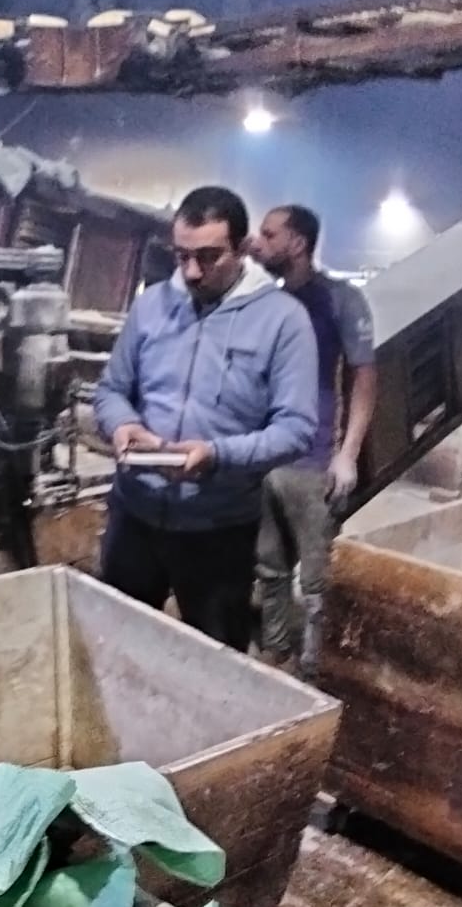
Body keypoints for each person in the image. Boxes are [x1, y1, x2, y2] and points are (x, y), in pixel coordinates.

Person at [93, 186, 319, 651]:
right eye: (182, 256)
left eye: (209, 257)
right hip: (134, 518)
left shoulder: (283, 321)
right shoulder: (151, 306)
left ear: (242, 248)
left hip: (218, 531)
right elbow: (112, 390)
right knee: (114, 646)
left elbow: (296, 428)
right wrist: (121, 425)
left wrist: (217, 455)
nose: (193, 271)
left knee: (214, 660)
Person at [248, 204, 377, 679]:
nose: (258, 242)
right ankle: (277, 655)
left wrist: (347, 455)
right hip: (267, 458)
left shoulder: (339, 300)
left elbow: (364, 378)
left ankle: (316, 672)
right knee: (269, 569)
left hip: (313, 463)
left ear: (298, 243)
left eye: (269, 235)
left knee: (317, 580)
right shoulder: (270, 302)